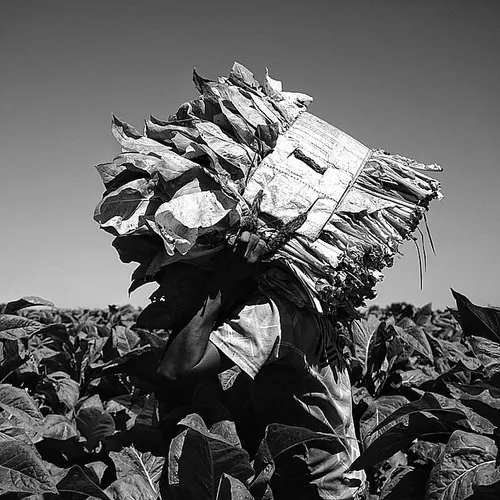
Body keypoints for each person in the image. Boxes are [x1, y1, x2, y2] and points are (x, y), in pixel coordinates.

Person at [156, 231, 365, 500]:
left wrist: (223, 281)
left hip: (317, 492)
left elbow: (175, 369)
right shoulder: (314, 302)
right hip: (347, 480)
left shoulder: (270, 312)